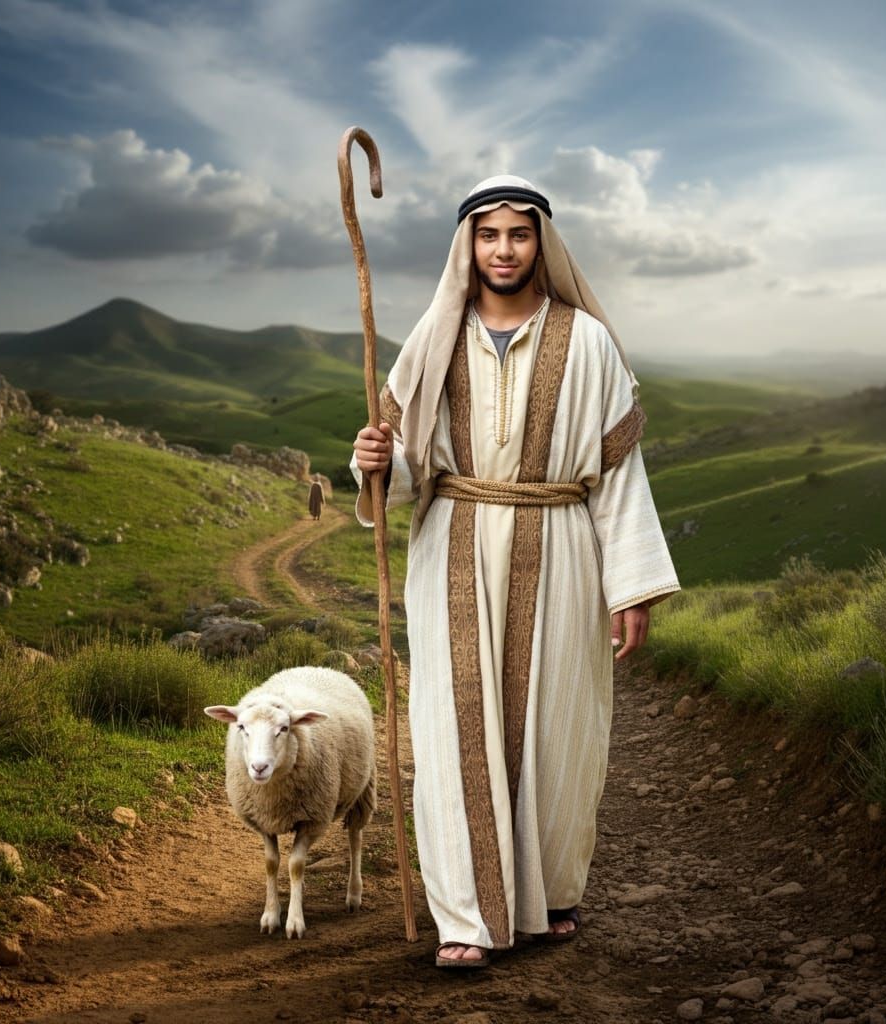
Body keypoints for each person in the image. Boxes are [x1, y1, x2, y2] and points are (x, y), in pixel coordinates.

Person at [352, 175, 679, 968]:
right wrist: (374, 462)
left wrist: (629, 583)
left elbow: (619, 473)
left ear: (542, 244)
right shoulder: (432, 338)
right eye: (488, 234)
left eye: (519, 234)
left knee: (557, 725)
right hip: (454, 539)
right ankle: (466, 917)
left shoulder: (588, 341)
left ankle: (548, 895)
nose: (503, 249)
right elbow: (406, 462)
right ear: (468, 244)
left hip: (563, 542)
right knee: (455, 721)